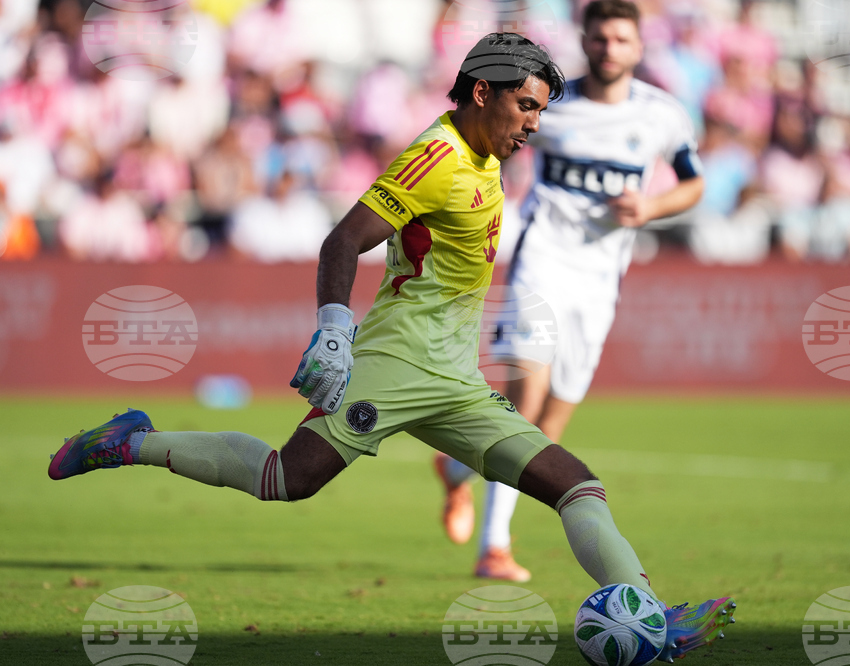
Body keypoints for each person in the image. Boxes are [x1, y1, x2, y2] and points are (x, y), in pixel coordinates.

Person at [47, 33, 733, 662]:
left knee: (578, 486)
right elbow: (343, 239)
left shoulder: (486, 154)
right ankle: (130, 441)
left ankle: (647, 615)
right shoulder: (435, 157)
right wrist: (337, 328)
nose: (533, 123)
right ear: (481, 92)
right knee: (288, 479)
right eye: (525, 106)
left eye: (541, 111)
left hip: (455, 381)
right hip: (396, 366)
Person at [434, 0, 705, 584]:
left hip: (600, 282)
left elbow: (693, 185)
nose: (610, 48)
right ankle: (495, 546)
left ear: (638, 46)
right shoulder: (550, 106)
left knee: (550, 426)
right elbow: (484, 138)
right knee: (525, 406)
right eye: (600, 38)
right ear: (584, 40)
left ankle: (458, 474)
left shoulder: (662, 115)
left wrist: (651, 206)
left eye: (621, 39)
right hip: (542, 264)